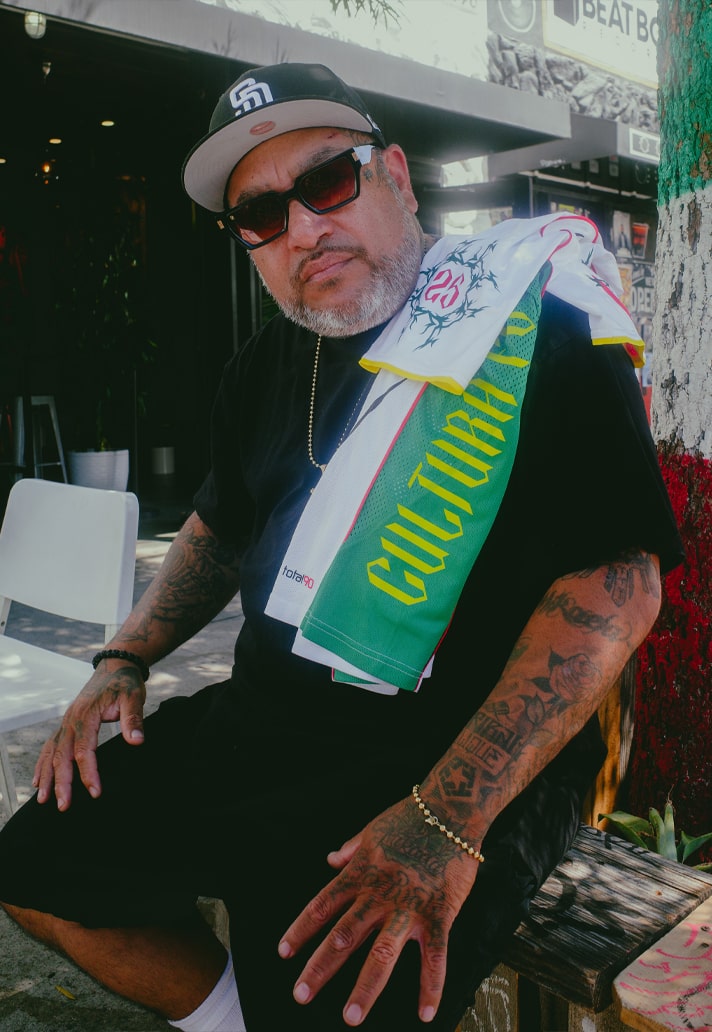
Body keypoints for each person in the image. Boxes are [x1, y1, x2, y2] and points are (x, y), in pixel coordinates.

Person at [0, 62, 683, 1031]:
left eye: (326, 182)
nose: (303, 229)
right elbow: (220, 524)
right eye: (259, 214)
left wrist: (446, 816)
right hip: (270, 726)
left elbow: (619, 580)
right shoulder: (264, 361)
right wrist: (125, 656)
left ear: (395, 176)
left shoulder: (541, 326)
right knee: (34, 866)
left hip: (455, 758)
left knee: (333, 998)